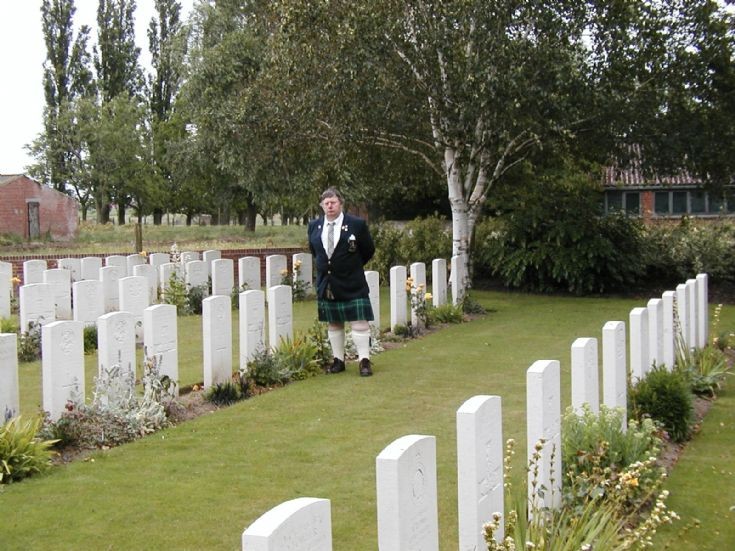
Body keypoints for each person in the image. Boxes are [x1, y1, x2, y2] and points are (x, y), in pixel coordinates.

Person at [308, 187, 375, 376]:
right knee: (334, 322)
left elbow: (368, 250)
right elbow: (315, 251)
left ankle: (364, 361)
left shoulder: (356, 224)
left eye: (333, 202)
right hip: (328, 282)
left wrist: (350, 266)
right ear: (322, 205)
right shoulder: (314, 226)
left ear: (340, 203)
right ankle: (338, 361)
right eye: (326, 203)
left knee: (359, 323)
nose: (330, 206)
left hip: (352, 281)